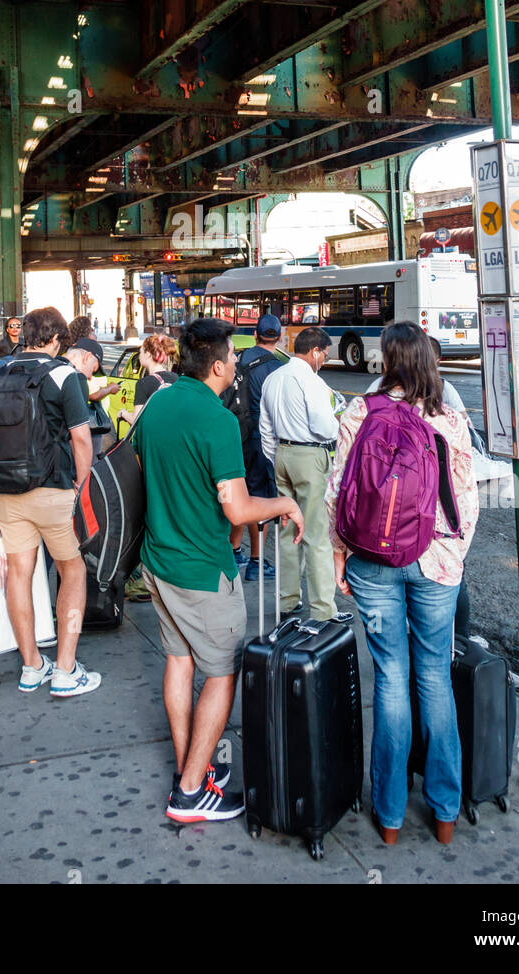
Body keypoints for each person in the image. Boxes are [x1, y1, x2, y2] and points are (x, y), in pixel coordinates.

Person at [133, 317, 304, 823]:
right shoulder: (219, 421)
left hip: (158, 560)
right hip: (201, 570)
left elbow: (144, 469)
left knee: (179, 661)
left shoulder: (159, 402)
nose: (235, 363)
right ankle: (189, 792)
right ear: (216, 367)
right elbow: (237, 509)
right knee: (223, 672)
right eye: (231, 356)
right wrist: (284, 504)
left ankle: (192, 767)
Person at [325, 321, 479, 846]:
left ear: (387, 362)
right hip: (436, 563)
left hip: (372, 561)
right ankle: (445, 811)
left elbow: (336, 492)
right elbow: (467, 500)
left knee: (390, 677)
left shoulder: (360, 412)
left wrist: (340, 556)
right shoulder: (449, 420)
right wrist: (453, 555)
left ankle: (389, 815)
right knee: (434, 677)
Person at [0, 307, 102, 700]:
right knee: (72, 571)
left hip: (7, 490)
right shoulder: (64, 375)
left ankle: (32, 666)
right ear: (55, 340)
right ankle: (65, 669)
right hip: (55, 489)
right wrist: (82, 487)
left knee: (19, 573)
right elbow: (81, 439)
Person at [259, 326, 340, 621]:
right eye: (325, 355)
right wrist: (337, 422)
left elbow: (265, 427)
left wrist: (276, 457)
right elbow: (324, 427)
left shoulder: (273, 378)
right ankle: (323, 610)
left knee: (287, 531)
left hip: (281, 454)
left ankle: (287, 600)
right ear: (315, 351)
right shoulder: (312, 381)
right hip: (310, 456)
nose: (324, 361)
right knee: (317, 534)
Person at [121, 332, 179, 604]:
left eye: (142, 352)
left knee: (145, 510)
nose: (140, 356)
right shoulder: (178, 381)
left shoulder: (145, 384)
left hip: (147, 454)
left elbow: (139, 420)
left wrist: (123, 414)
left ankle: (142, 577)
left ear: (150, 354)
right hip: (173, 455)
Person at [228, 315, 283, 583]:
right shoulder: (278, 368)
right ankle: (257, 562)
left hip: (236, 434)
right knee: (259, 498)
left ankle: (234, 551)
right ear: (279, 337)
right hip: (261, 439)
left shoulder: (239, 359)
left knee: (240, 491)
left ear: (255, 335)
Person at [64, 336, 119, 460]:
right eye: (93, 369)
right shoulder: (76, 380)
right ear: (87, 357)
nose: (90, 377)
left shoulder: (60, 371)